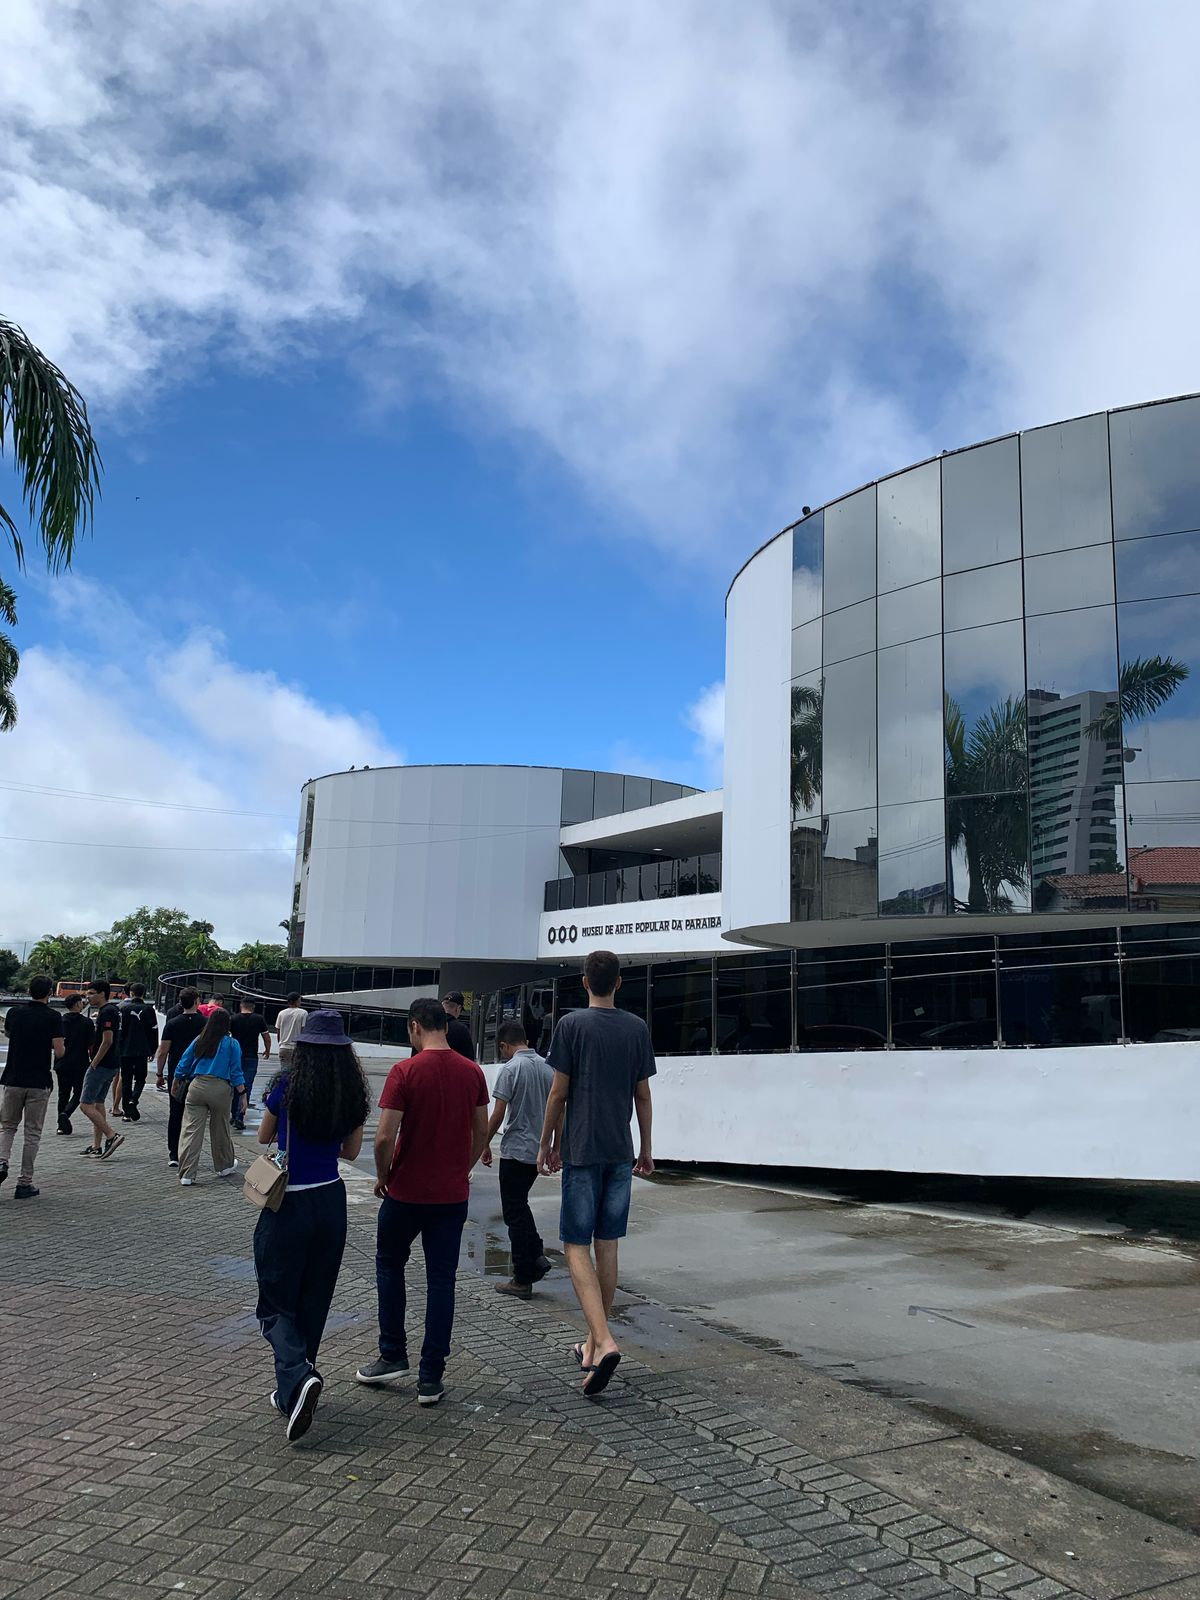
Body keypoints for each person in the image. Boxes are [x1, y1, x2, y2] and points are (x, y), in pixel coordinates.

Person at [354, 998, 488, 1406]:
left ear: (414, 1027)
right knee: (441, 1281)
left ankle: (393, 1353)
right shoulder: (472, 1072)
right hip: (451, 1196)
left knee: (390, 1265)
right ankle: (431, 1376)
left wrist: (383, 1176)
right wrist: (461, 1168)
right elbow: (481, 1132)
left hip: (406, 1192)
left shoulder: (405, 1071)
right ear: (444, 1026)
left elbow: (383, 1136)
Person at [538, 950, 655, 1399]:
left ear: (585, 982)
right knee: (608, 1243)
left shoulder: (571, 1026)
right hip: (620, 1152)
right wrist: (645, 1147)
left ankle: (603, 1341)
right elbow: (642, 1096)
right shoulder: (637, 1028)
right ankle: (591, 1343)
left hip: (582, 1150)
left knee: (574, 1245)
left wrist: (547, 1143)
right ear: (619, 983)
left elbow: (558, 1093)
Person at [254, 1009, 370, 1443]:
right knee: (314, 1299)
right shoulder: (353, 1093)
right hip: (331, 1200)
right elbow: (353, 1152)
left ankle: (300, 1376)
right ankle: (294, 1391)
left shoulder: (285, 1086)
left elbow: (265, 1137)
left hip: (289, 1201)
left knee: (273, 1303)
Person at [479, 1020, 554, 1299]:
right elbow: (559, 1109)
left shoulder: (511, 1069)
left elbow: (498, 1114)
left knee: (514, 1212)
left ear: (504, 1046)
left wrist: (483, 1144)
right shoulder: (548, 1067)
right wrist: (554, 1145)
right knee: (519, 1206)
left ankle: (524, 1275)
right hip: (537, 1150)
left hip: (515, 1150)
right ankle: (535, 1257)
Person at [0, 975, 65, 1197]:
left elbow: (8, 1033)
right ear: (50, 992)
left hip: (13, 1078)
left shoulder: (14, 1013)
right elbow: (59, 1050)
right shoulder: (54, 1017)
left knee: (7, 1127)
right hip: (38, 1080)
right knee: (32, 1133)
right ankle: (24, 1182)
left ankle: (1, 1162)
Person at [174, 1008, 247, 1186]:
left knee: (191, 1131)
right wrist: (243, 1094)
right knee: (220, 1129)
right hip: (221, 1088)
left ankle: (187, 1174)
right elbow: (236, 1071)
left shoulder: (200, 1040)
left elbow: (184, 1062)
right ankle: (224, 1166)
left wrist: (176, 1081)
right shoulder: (232, 1044)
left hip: (197, 1086)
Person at [155, 987, 206, 1168]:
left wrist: (160, 1074)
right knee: (195, 1116)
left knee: (175, 1113)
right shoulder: (205, 1023)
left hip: (176, 1074)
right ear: (197, 1001)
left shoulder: (173, 1023)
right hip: (199, 1074)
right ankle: (190, 1152)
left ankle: (173, 1153)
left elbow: (163, 1051)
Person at [79, 980, 126, 1160]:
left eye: (91, 993)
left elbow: (107, 1040)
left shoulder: (107, 1013)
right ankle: (96, 1146)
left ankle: (111, 1135)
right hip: (113, 1064)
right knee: (98, 1103)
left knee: (85, 1104)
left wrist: (94, 1063)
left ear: (102, 994)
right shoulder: (114, 1011)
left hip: (102, 1064)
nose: (88, 997)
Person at [118, 982, 159, 1122]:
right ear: (144, 993)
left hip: (126, 1050)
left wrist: (119, 1048)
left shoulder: (124, 1009)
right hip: (142, 1050)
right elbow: (154, 1030)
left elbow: (120, 1031)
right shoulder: (149, 1010)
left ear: (131, 993)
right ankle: (133, 1100)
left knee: (126, 1080)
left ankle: (126, 1112)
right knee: (140, 1078)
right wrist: (153, 1049)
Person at [55, 992, 94, 1135]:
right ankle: (66, 1113)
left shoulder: (60, 1021)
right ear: (77, 1004)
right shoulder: (87, 1023)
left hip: (62, 1062)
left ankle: (61, 1125)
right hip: (80, 1063)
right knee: (79, 1092)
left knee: (62, 1093)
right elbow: (91, 1044)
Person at [229, 999, 271, 1130]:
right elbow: (266, 1037)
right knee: (247, 1086)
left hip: (235, 1056)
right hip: (251, 1056)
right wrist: (267, 1050)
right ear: (253, 1007)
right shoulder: (259, 1019)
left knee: (235, 1084)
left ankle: (233, 1114)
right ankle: (240, 1116)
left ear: (241, 1006)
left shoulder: (233, 1019)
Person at [275, 993, 308, 1069]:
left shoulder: (281, 1013)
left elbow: (278, 1030)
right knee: (297, 1072)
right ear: (296, 1001)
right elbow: (303, 1030)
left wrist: (280, 1044)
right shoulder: (303, 1013)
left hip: (284, 1047)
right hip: (297, 1047)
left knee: (284, 1072)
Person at [440, 991, 476, 1060]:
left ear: (442, 1005)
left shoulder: (430, 1026)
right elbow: (469, 1059)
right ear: (458, 1008)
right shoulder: (461, 1029)